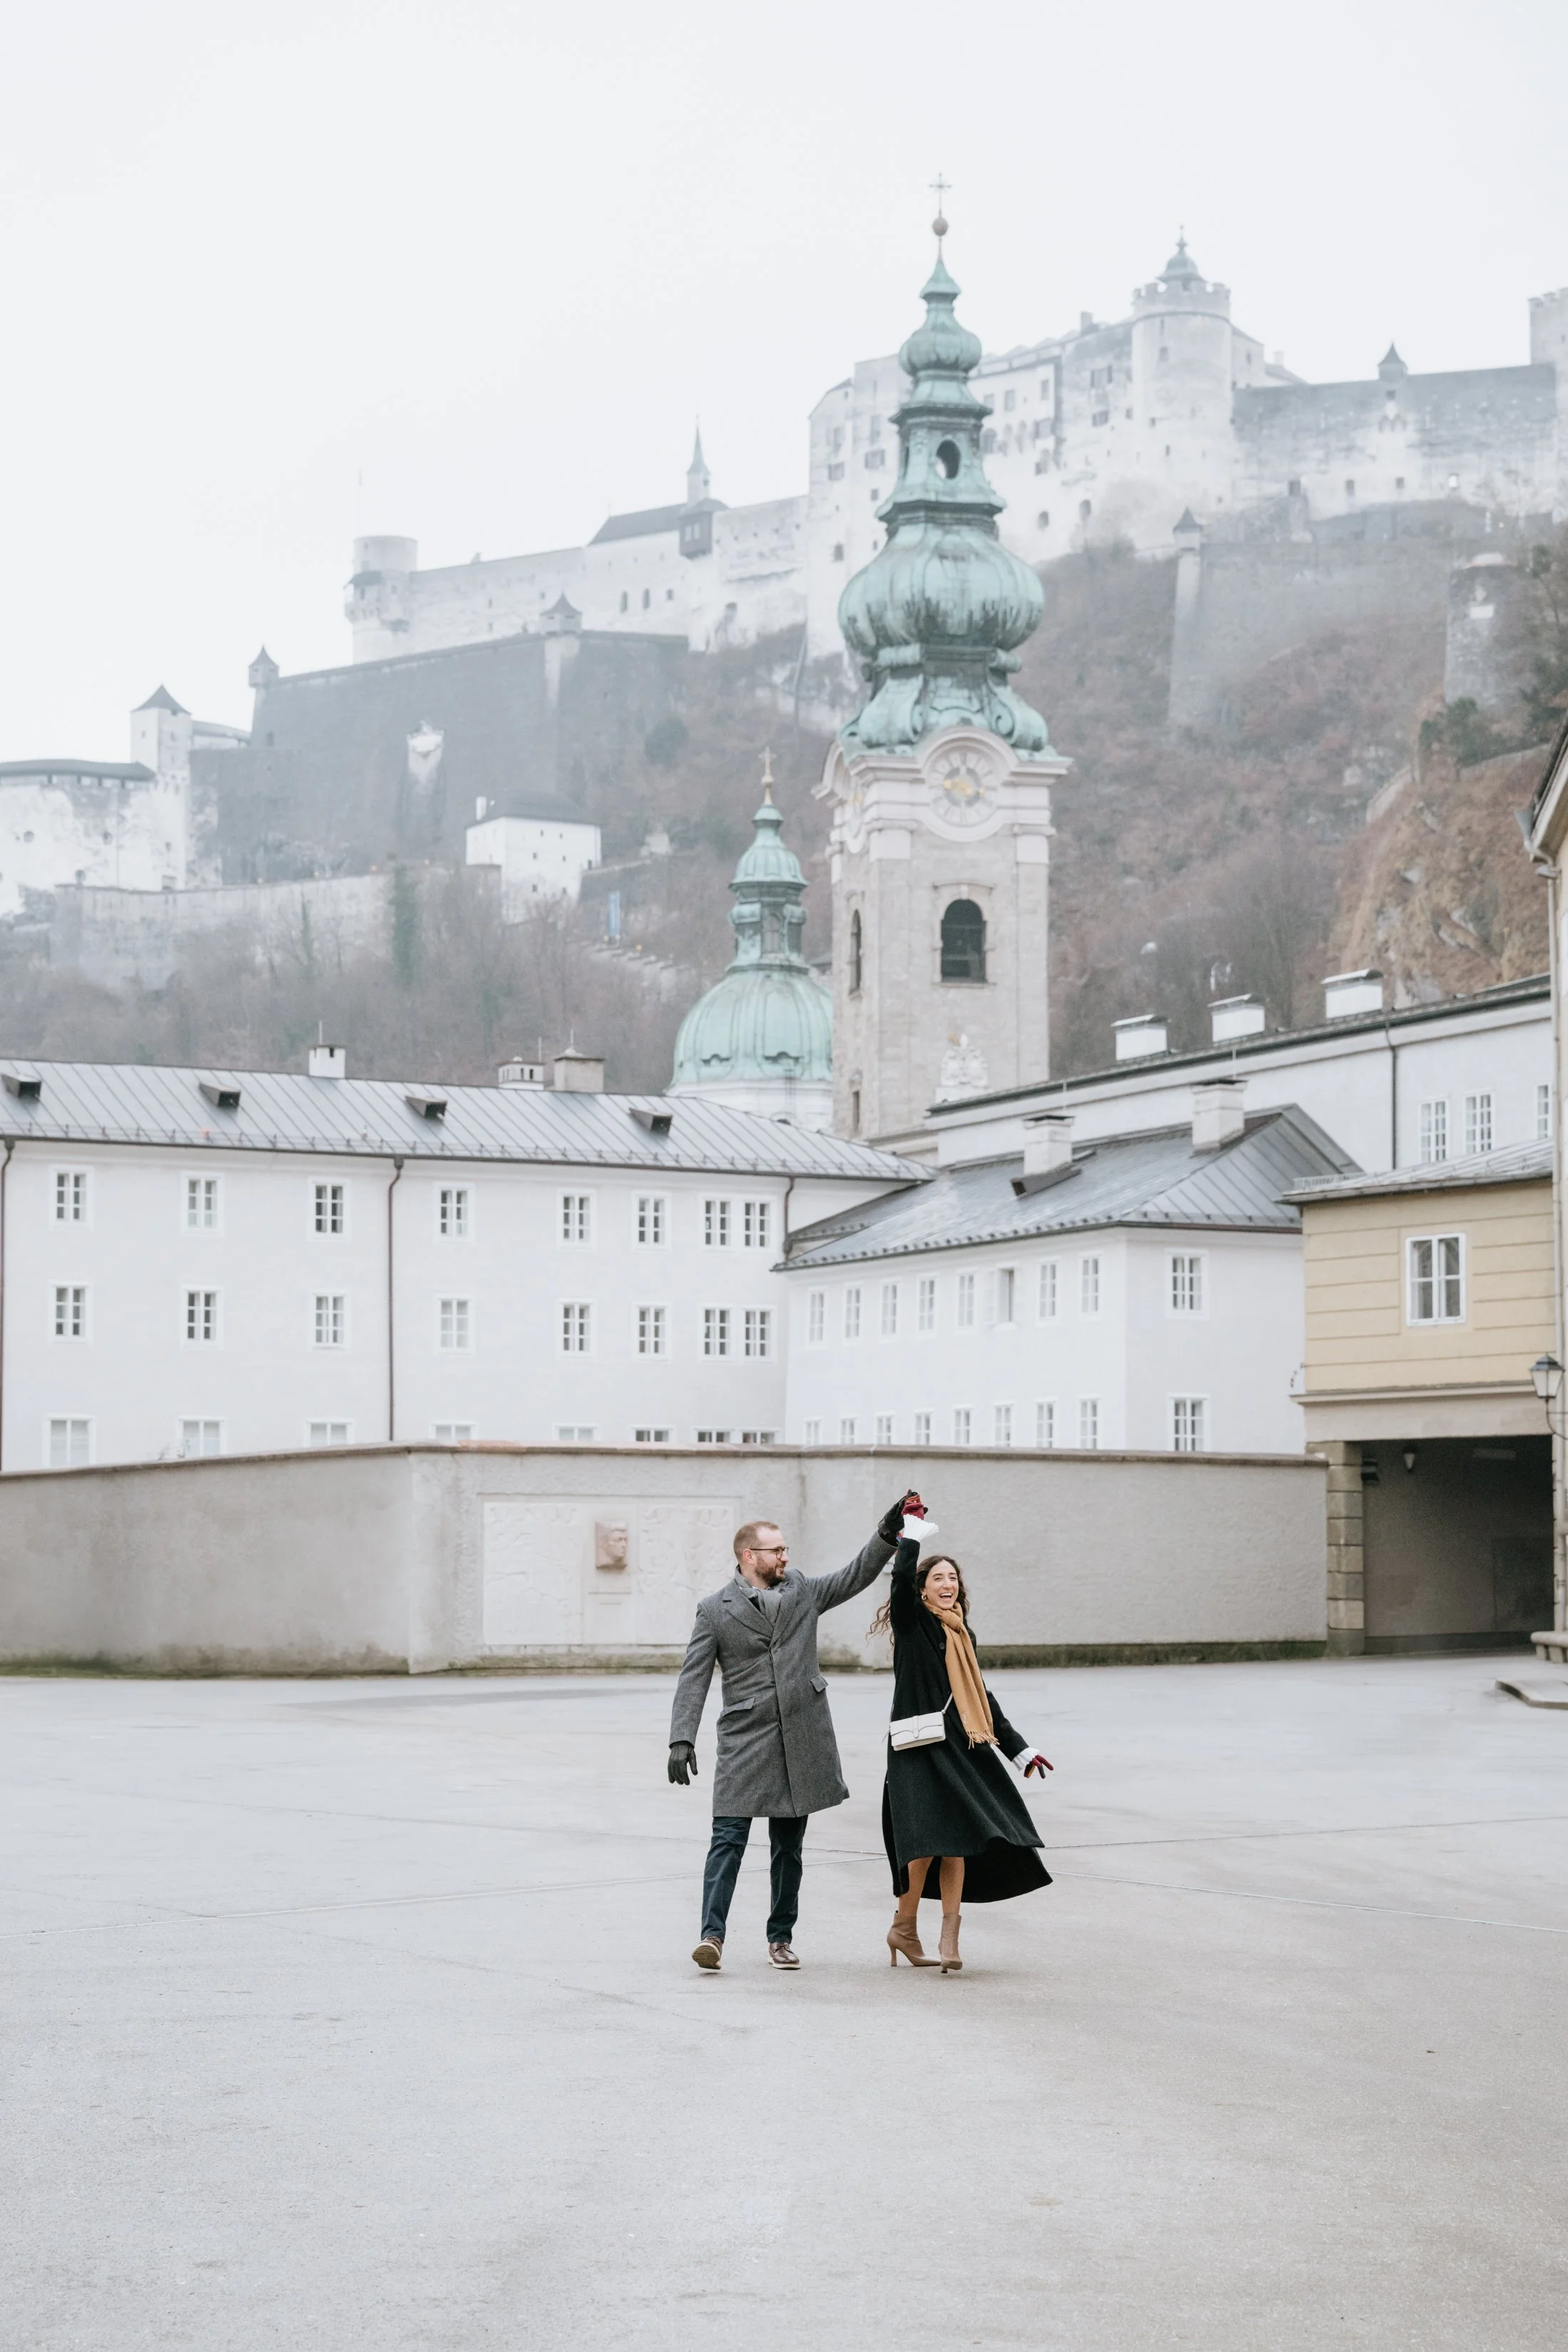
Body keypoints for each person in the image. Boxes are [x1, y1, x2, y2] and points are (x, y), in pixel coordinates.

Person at [668, 1495, 916, 1972]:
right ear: (748, 1557)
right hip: (745, 1740)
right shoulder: (715, 1610)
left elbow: (853, 1576)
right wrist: (682, 1737)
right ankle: (712, 1937)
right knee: (727, 1840)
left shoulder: (802, 1590)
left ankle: (780, 1938)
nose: (785, 1557)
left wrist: (887, 1532)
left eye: (784, 1549)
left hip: (800, 1738)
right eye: (775, 1550)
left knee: (789, 1848)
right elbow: (693, 1677)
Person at [870, 1535, 1053, 1974]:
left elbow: (980, 1696)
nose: (947, 1584)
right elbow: (898, 1581)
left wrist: (1020, 1750)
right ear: (922, 1588)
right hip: (918, 1749)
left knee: (959, 1844)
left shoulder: (961, 1633)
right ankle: (905, 1928)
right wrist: (910, 1536)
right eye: (938, 1578)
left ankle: (949, 1939)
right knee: (925, 1846)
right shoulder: (913, 1624)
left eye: (953, 1577)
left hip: (961, 1746)